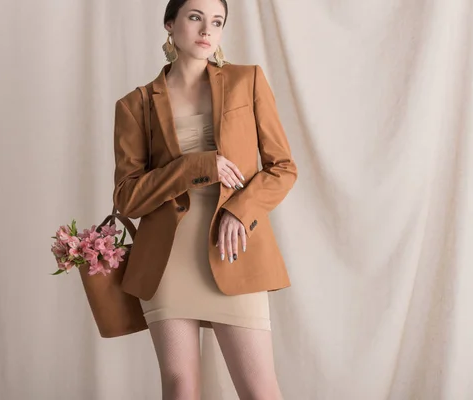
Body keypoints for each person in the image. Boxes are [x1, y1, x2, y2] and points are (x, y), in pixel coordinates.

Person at [112, 0, 297, 398]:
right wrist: (194, 166)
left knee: (260, 389)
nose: (206, 30)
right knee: (180, 387)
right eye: (195, 17)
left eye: (217, 22)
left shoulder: (247, 80)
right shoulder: (135, 105)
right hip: (166, 259)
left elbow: (283, 167)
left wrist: (238, 210)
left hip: (234, 249)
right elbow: (128, 198)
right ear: (169, 24)